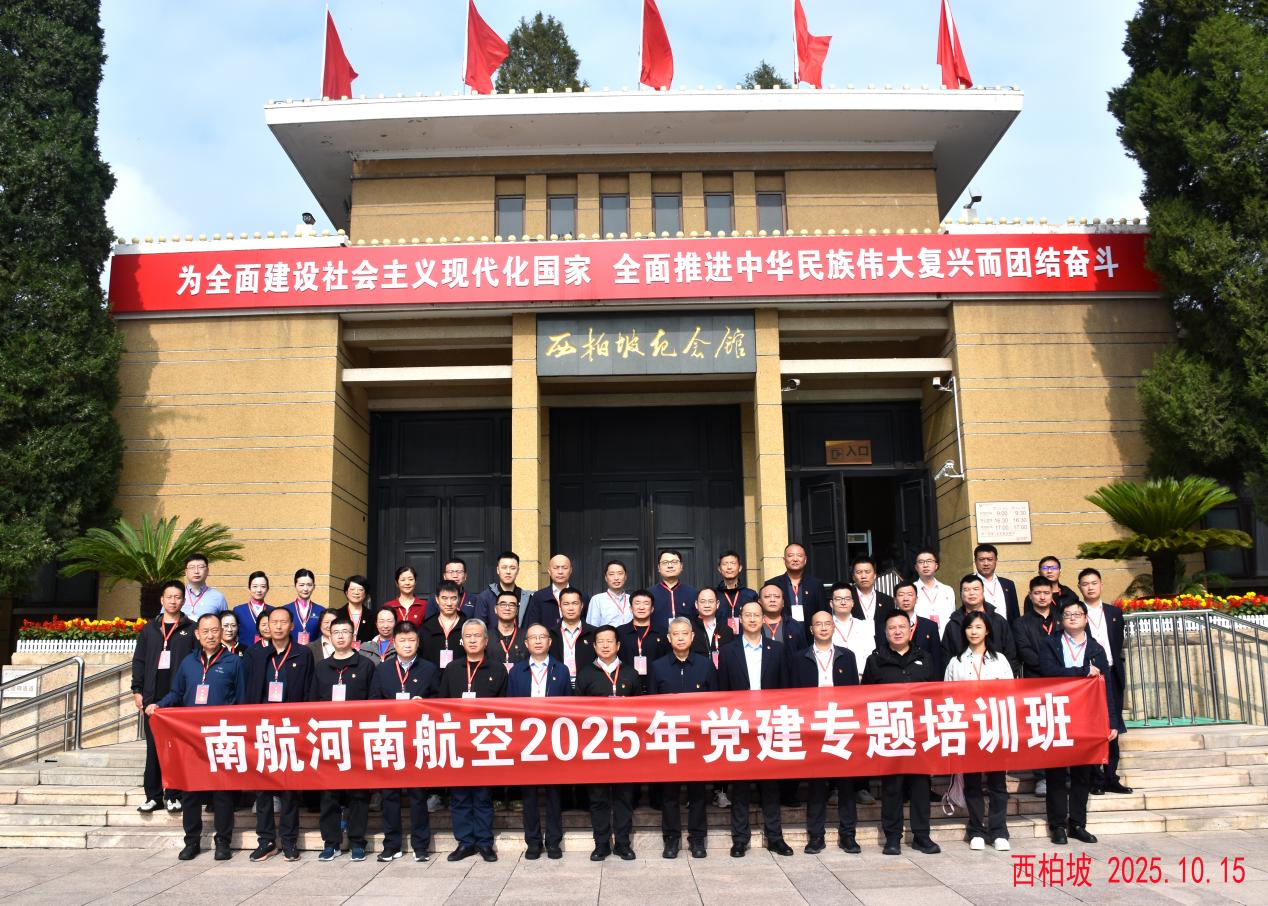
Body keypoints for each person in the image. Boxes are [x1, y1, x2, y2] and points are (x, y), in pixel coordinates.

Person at [145, 612, 248, 861]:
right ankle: (191, 841)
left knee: (222, 793)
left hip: (221, 737)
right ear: (197, 634)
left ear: (221, 633)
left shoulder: (234, 662)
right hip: (191, 737)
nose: (211, 635)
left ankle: (223, 842)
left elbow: (242, 701)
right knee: (190, 792)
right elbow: (176, 693)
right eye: (206, 631)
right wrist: (159, 705)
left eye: (215, 630)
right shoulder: (188, 663)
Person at [1038, 599, 1124, 844]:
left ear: (1086, 619)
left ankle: (1077, 823)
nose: (1073, 617)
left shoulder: (1096, 648)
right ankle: (1057, 825)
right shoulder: (1050, 643)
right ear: (1061, 619)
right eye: (1068, 614)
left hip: (1087, 717)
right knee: (1056, 773)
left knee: (1082, 774)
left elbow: (1106, 688)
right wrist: (1081, 670)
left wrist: (1112, 722)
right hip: (1057, 713)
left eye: (1077, 614)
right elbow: (1048, 672)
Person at [716, 601, 794, 858]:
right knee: (740, 785)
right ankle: (740, 839)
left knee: (770, 784)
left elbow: (785, 687)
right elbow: (723, 690)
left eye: (756, 615)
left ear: (763, 619)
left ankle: (775, 837)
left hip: (768, 723)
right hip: (739, 723)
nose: (752, 619)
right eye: (747, 615)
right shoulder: (728, 651)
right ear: (740, 619)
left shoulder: (777, 649)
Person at [862, 610, 941, 856]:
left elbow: (936, 694)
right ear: (885, 632)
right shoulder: (875, 660)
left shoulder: (925, 658)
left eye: (902, 627)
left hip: (919, 733)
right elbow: (865, 697)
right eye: (892, 628)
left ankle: (921, 836)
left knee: (920, 786)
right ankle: (892, 837)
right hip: (890, 732)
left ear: (910, 630)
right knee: (892, 787)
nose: (897, 631)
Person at [245, 607, 314, 862]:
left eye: (283, 622)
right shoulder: (256, 655)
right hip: (262, 727)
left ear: (291, 626)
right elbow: (248, 691)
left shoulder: (303, 654)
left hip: (290, 728)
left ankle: (289, 840)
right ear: (266, 625)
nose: (278, 626)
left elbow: (309, 691)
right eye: (273, 622)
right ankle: (265, 841)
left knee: (289, 788)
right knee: (263, 788)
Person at [369, 620, 439, 862]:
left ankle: (421, 845)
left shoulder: (429, 669)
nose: (407, 644)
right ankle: (392, 844)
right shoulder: (383, 669)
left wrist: (425, 704)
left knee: (418, 795)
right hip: (390, 738)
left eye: (411, 640)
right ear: (394, 643)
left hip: (417, 738)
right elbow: (373, 702)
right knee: (389, 794)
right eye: (402, 640)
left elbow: (440, 701)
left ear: (418, 642)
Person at [944, 611, 1014, 851]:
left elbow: (1010, 693)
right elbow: (947, 696)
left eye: (978, 627)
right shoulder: (956, 662)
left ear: (987, 631)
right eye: (969, 627)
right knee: (972, 782)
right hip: (968, 729)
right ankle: (976, 829)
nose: (974, 632)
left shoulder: (1000, 660)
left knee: (997, 782)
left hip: (994, 726)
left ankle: (999, 830)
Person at [792, 610, 861, 854]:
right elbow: (793, 694)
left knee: (846, 784)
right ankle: (816, 836)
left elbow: (854, 693)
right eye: (818, 624)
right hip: (813, 727)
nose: (823, 627)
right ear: (811, 629)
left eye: (827, 623)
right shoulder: (799, 658)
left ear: (833, 627)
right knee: (816, 785)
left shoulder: (847, 656)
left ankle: (848, 835)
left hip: (841, 725)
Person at [648, 616, 716, 859]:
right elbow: (651, 706)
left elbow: (715, 702)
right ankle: (671, 838)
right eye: (675, 634)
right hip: (669, 739)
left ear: (692, 636)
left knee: (698, 793)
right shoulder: (657, 667)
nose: (680, 638)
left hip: (698, 740)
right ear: (669, 638)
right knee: (669, 794)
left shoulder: (706, 664)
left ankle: (697, 838)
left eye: (684, 633)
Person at [308, 615, 375, 862]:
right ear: (329, 635)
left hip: (356, 739)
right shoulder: (321, 667)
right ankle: (331, 842)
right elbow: (312, 703)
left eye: (345, 632)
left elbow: (373, 702)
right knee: (329, 794)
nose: (340, 636)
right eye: (336, 632)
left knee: (358, 793)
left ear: (353, 636)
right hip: (329, 738)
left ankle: (357, 841)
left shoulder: (365, 665)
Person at [440, 619, 506, 862]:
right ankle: (465, 842)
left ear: (486, 640)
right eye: (468, 636)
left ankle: (484, 842)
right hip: (458, 741)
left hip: (486, 740)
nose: (473, 640)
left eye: (477, 635)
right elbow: (441, 703)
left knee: (482, 794)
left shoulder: (498, 669)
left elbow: (505, 708)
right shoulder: (452, 669)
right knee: (459, 795)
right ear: (462, 641)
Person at [574, 626, 639, 861]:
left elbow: (642, 711)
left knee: (624, 798)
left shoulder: (631, 673)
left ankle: (622, 843)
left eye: (609, 641)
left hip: (625, 747)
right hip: (596, 748)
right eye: (600, 641)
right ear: (594, 646)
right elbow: (577, 712)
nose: (605, 645)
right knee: (598, 798)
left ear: (618, 645)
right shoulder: (585, 674)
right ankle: (601, 844)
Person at [508, 624, 572, 859]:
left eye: (542, 637)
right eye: (533, 638)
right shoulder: (517, 671)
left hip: (553, 738)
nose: (537, 641)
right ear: (526, 643)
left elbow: (569, 706)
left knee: (554, 793)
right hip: (526, 740)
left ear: (549, 642)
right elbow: (509, 707)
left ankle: (553, 841)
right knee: (529, 794)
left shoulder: (561, 670)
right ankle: (533, 842)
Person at [132, 579, 196, 814]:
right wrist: (137, 690)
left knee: (176, 748)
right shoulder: (150, 629)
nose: (173, 601)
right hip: (152, 698)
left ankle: (174, 795)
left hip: (178, 698)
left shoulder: (191, 629)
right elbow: (139, 660)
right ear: (162, 600)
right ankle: (153, 796)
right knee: (154, 748)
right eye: (169, 597)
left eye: (178, 597)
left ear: (184, 600)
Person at [1079, 567, 1131, 795]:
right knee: (1092, 727)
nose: (1090, 587)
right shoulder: (1077, 613)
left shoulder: (1114, 613)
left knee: (1113, 726)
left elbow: (1117, 642)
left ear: (1101, 584)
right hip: (1089, 677)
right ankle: (1096, 779)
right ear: (1079, 587)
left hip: (1112, 673)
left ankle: (1111, 777)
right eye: (1085, 584)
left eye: (1094, 583)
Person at [1013, 575, 1062, 797]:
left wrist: (1061, 669)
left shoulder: (1063, 618)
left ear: (1052, 595)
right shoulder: (1021, 623)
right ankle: (1041, 777)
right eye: (1037, 593)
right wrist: (1052, 667)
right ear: (1030, 595)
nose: (1042, 597)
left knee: (1061, 729)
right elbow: (1025, 652)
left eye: (1046, 593)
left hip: (1063, 684)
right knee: (1039, 730)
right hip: (1035, 683)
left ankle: (1064, 774)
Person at [943, 575, 1020, 676]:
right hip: (963, 678)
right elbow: (946, 656)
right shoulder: (953, 624)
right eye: (966, 590)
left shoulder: (998, 621)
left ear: (983, 592)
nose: (971, 593)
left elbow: (1011, 653)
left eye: (976, 589)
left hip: (997, 678)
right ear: (961, 594)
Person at [763, 542, 826, 625]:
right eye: (790, 555)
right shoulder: (772, 584)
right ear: (784, 560)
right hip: (782, 631)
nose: (795, 559)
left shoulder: (816, 584)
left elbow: (823, 612)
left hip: (810, 631)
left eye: (799, 555)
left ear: (805, 560)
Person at [616, 589, 667, 689]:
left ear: (652, 609)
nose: (641, 607)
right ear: (631, 608)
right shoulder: (620, 632)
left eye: (646, 603)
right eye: (637, 603)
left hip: (657, 685)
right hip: (626, 685)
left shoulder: (663, 633)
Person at [892, 581, 944, 677]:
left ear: (916, 599)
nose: (906, 599)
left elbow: (936, 660)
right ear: (895, 600)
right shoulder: (884, 627)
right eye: (901, 595)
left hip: (923, 680)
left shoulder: (930, 626)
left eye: (910, 595)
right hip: (894, 680)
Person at [472, 551, 531, 626]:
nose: (508, 572)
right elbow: (479, 627)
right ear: (498, 570)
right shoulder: (484, 597)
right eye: (504, 567)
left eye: (512, 568)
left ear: (518, 571)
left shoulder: (527, 598)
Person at [550, 587, 593, 684]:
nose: (570, 608)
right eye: (566, 604)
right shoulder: (550, 634)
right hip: (558, 683)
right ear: (560, 606)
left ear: (582, 605)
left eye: (575, 603)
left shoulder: (593, 633)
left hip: (587, 684)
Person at [420, 580, 467, 669]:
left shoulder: (468, 626)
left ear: (459, 599)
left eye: (453, 598)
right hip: (433, 676)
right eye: (444, 598)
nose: (449, 603)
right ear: (437, 599)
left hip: (461, 675)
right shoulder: (427, 628)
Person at [524, 554, 574, 632]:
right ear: (549, 571)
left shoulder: (581, 597)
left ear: (570, 570)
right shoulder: (538, 597)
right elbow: (532, 626)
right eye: (556, 568)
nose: (560, 572)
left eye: (564, 568)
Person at [650, 549, 698, 629]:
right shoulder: (649, 594)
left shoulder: (693, 593)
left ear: (681, 566)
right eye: (665, 562)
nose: (670, 566)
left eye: (674, 562)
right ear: (658, 567)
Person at [913, 549, 956, 637]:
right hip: (920, 639)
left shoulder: (948, 590)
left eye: (929, 561)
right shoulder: (911, 591)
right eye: (921, 562)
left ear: (936, 565)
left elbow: (953, 617)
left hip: (946, 639)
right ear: (916, 567)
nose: (925, 565)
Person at [850, 556, 896, 640]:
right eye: (859, 572)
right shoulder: (847, 599)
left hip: (882, 645)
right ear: (853, 577)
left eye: (867, 572)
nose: (863, 576)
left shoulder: (887, 600)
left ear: (875, 575)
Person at [974, 543, 1021, 623]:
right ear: (975, 561)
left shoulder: (1008, 584)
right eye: (981, 559)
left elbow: (1015, 614)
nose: (986, 563)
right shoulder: (969, 584)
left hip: (1006, 630)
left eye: (990, 559)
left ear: (996, 560)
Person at [689, 587, 734, 667]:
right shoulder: (689, 628)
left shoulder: (727, 628)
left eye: (711, 601)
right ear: (696, 604)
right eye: (703, 601)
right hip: (697, 671)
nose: (707, 605)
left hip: (721, 672)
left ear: (717, 604)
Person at [714, 549, 758, 629]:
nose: (729, 567)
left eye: (733, 563)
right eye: (725, 564)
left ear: (740, 568)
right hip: (720, 635)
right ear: (719, 569)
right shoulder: (714, 595)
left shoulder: (751, 595)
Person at [757, 581, 805, 649]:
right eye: (767, 596)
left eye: (777, 596)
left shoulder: (794, 626)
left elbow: (802, 652)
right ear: (759, 602)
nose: (772, 600)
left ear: (783, 603)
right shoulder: (753, 625)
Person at [284, 568, 325, 646]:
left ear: (314, 587)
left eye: (309, 585)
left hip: (314, 652)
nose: (305, 589)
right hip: (290, 651)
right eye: (301, 585)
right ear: (295, 586)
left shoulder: (321, 611)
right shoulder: (285, 610)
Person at [180, 552, 229, 619]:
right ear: (186, 572)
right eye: (192, 567)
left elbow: (225, 622)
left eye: (201, 567)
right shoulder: (177, 595)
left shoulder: (218, 597)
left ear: (207, 571)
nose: (196, 571)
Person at [586, 560, 632, 628]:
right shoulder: (597, 600)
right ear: (606, 578)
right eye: (611, 574)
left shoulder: (632, 599)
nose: (616, 578)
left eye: (620, 573)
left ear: (625, 577)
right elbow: (592, 627)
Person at [232, 571, 272, 645]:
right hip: (244, 651)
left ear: (267, 589)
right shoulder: (238, 610)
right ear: (249, 588)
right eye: (255, 586)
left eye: (263, 586)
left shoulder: (273, 611)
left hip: (269, 650)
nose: (259, 590)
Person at [335, 574, 377, 647]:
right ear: (346, 592)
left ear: (365, 593)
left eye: (360, 590)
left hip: (365, 652)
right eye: (352, 589)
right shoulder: (337, 614)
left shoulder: (372, 616)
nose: (356, 592)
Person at [492, 590, 529, 669]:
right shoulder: (486, 637)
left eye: (512, 605)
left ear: (517, 610)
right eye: (503, 604)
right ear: (495, 609)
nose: (507, 608)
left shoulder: (526, 637)